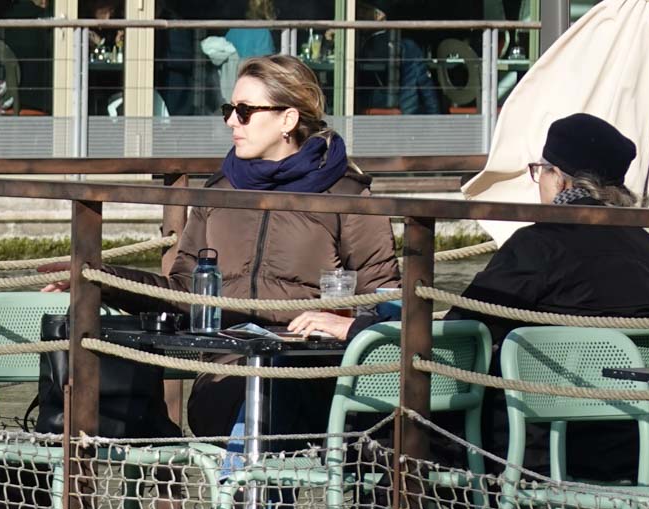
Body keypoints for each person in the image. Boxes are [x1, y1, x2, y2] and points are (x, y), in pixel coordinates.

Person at [62, 54, 400, 438]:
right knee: (250, 397)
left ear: (288, 120)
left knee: (278, 390)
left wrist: (345, 325)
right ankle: (245, 474)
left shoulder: (347, 194)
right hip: (227, 369)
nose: (231, 122)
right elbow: (183, 292)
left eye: (244, 111)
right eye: (229, 110)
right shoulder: (219, 190)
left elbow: (388, 302)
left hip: (317, 371)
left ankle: (243, 475)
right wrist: (100, 278)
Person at [442, 112, 649, 482]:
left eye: (540, 171)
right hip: (624, 447)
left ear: (560, 177)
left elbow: (462, 332)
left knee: (416, 421)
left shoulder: (538, 245)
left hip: (530, 447)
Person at [354, 0, 439, 115]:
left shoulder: (358, 45)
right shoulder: (407, 46)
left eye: (364, 10)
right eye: (358, 10)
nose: (358, 15)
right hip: (404, 114)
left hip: (366, 113)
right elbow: (426, 88)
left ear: (379, 16)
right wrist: (435, 116)